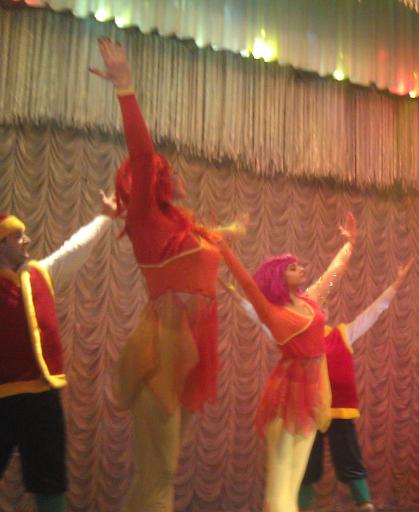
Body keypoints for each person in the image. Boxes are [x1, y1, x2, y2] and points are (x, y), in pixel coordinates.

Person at [90, 39, 242, 512]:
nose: (160, 175)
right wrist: (125, 89)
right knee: (160, 475)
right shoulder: (145, 222)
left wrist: (231, 232)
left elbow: (208, 248)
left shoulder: (183, 228)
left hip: (191, 350)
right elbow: (141, 153)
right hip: (162, 349)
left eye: (162, 172)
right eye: (152, 173)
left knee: (160, 473)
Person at [219, 212, 356, 512]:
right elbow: (247, 283)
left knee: (293, 482)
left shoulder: (309, 301)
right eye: (293, 268)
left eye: (299, 265)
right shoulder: (273, 311)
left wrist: (349, 245)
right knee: (280, 483)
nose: (301, 269)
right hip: (287, 392)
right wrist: (224, 249)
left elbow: (332, 275)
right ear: (279, 277)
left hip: (312, 392)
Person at [0, 194, 116, 512]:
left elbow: (74, 250)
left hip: (41, 397)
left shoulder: (39, 275)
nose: (27, 240)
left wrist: (104, 218)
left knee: (50, 479)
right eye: (18, 236)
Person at [298, 258, 414, 512]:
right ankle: (300, 507)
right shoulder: (297, 340)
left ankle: (364, 503)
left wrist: (396, 285)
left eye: (323, 306)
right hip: (311, 408)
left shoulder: (343, 333)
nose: (320, 310)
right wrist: (239, 299)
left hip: (339, 410)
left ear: (327, 313)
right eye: (314, 307)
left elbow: (374, 311)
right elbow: (264, 321)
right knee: (307, 461)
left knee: (349, 456)